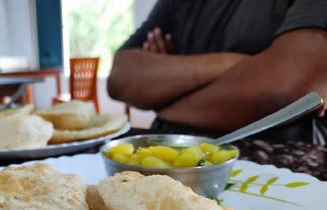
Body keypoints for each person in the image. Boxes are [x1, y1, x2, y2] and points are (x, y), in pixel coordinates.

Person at [108, 0, 327, 143]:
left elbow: (286, 90)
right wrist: (231, 63)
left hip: (279, 172)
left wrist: (162, 99)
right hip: (167, 155)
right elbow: (120, 78)